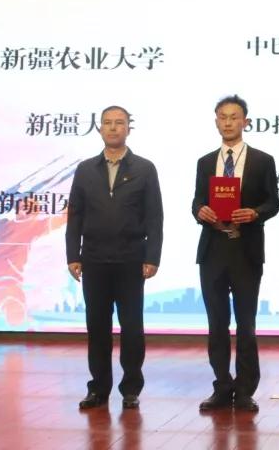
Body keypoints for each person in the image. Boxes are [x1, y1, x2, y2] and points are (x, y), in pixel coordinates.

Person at [66, 105, 164, 410]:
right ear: (99, 129)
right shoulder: (85, 169)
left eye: (119, 123)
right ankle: (98, 388)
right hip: (94, 259)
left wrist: (153, 257)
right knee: (97, 327)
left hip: (131, 259)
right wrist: (72, 255)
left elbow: (154, 217)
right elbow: (75, 215)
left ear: (128, 128)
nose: (112, 128)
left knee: (132, 328)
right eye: (107, 123)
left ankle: (131, 388)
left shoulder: (144, 168)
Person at [192, 95, 279, 412]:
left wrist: (255, 213)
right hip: (213, 251)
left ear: (246, 122)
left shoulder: (262, 160)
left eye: (234, 117)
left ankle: (244, 389)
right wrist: (200, 211)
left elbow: (274, 202)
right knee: (216, 323)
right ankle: (221, 385)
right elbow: (196, 201)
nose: (228, 122)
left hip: (246, 249)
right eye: (222, 117)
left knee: (246, 323)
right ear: (216, 122)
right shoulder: (205, 162)